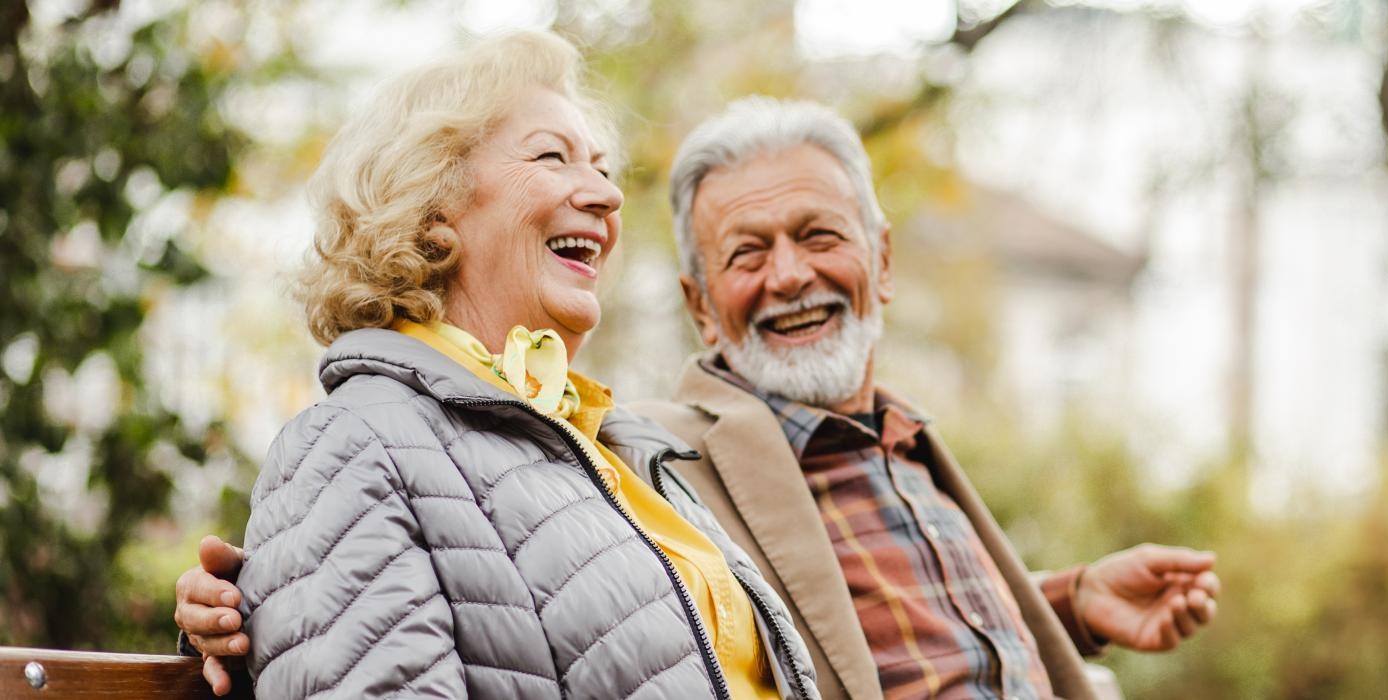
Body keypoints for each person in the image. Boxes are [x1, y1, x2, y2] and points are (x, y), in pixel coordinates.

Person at [178, 96, 1219, 699]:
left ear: (882, 259)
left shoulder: (904, 440)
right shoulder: (654, 456)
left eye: (818, 237)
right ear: (698, 304)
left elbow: (872, 616)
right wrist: (232, 608)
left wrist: (1069, 602)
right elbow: (370, 546)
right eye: (747, 253)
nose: (790, 277)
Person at [193, 33, 818, 699]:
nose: (607, 197)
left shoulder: (611, 446)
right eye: (553, 157)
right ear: (433, 210)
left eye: (603, 169)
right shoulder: (348, 446)